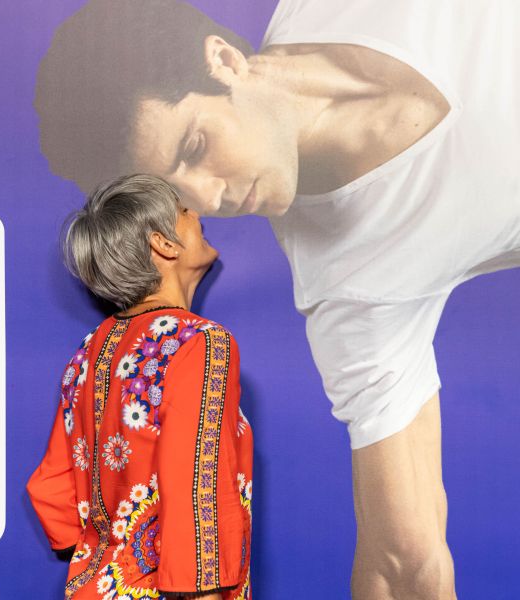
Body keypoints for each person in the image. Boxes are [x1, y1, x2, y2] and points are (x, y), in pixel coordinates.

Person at [34, 1, 520, 598]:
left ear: (223, 60)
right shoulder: (348, 285)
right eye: (179, 198)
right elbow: (402, 563)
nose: (209, 197)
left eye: (194, 145)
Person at [26, 174, 253, 600]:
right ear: (163, 244)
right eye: (183, 210)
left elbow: (52, 486)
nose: (196, 214)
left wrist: (103, 557)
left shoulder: (89, 350)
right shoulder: (200, 342)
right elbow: (196, 485)